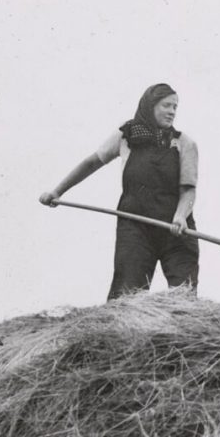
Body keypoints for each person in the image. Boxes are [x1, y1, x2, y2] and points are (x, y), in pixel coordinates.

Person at [40, 83, 200, 300]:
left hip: (176, 228)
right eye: (166, 105)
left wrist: (181, 216)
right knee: (125, 298)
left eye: (175, 107)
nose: (172, 111)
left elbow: (188, 190)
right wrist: (57, 191)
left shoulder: (184, 143)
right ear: (150, 106)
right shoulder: (127, 136)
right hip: (135, 226)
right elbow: (91, 163)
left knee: (184, 298)